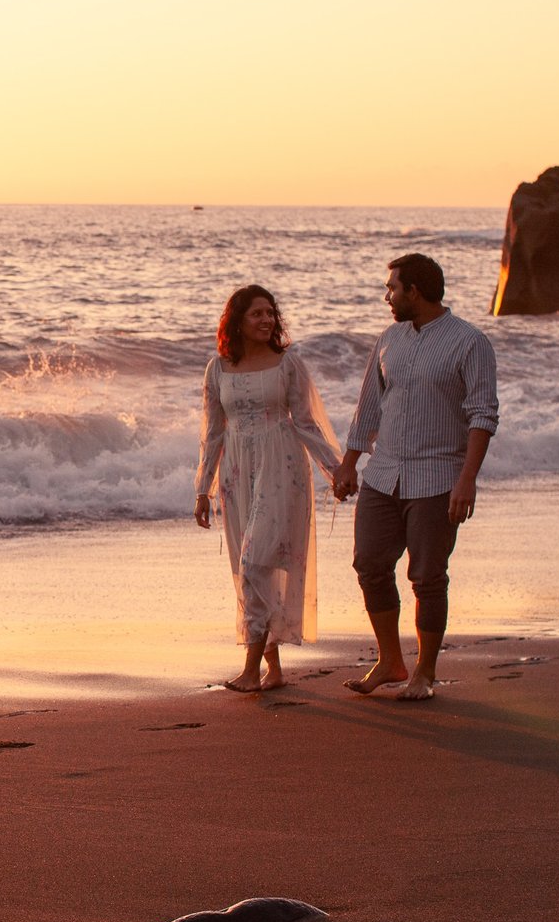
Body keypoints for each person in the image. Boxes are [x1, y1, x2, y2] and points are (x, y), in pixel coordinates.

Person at [330, 253, 499, 702]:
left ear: (415, 292)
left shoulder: (470, 342)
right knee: (369, 565)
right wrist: (349, 463)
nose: (387, 296)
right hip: (383, 475)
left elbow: (483, 414)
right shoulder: (389, 338)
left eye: (392, 288)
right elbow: (369, 406)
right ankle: (390, 661)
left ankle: (424, 672)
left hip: (438, 477)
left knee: (427, 577)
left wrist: (468, 479)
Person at [194, 285, 344, 692]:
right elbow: (212, 432)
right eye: (256, 314)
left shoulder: (287, 364)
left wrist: (336, 470)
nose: (266, 321)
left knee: (255, 560)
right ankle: (272, 669)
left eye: (270, 313)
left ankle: (249, 668)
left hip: (283, 464)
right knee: (248, 568)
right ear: (237, 321)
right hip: (237, 472)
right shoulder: (218, 369)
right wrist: (202, 489)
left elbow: (306, 422)